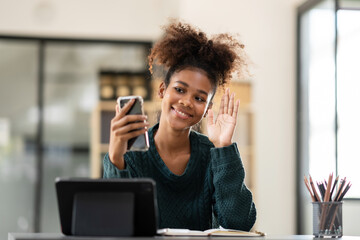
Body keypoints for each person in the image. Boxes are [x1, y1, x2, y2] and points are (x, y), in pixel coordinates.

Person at [103, 20, 256, 231]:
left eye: (199, 98)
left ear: (207, 108)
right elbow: (115, 224)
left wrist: (223, 147)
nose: (186, 102)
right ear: (162, 90)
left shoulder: (213, 154)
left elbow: (239, 223)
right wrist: (115, 159)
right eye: (180, 90)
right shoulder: (130, 155)